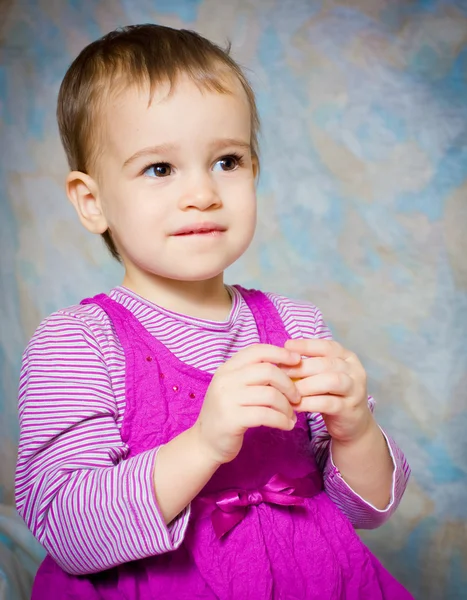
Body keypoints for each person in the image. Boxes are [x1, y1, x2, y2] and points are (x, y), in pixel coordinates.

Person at [16, 24, 413, 599]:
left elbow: (370, 511)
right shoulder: (75, 344)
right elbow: (69, 530)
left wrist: (356, 429)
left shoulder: (295, 326)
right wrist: (203, 444)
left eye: (227, 161)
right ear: (92, 200)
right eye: (160, 169)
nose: (202, 192)